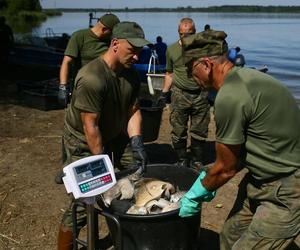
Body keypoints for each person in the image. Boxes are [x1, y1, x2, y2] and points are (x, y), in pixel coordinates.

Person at [179, 30, 300, 249]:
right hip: (260, 178)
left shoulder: (230, 95)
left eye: (190, 69)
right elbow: (252, 144)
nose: (190, 76)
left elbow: (227, 168)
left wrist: (197, 193)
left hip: (287, 189)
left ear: (206, 65)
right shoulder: (251, 77)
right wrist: (210, 173)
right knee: (229, 236)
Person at [57, 21, 151, 250]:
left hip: (114, 132)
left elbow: (133, 111)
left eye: (140, 51)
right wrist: (103, 167)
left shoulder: (131, 75)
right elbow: (91, 126)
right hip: (82, 139)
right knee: (84, 201)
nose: (137, 57)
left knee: (137, 176)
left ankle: (124, 233)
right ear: (115, 44)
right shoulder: (91, 78)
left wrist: (137, 143)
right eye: (133, 50)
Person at [159, 17, 210, 170]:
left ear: (195, 32)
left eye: (189, 34)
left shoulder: (203, 49)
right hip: (179, 95)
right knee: (178, 130)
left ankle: (196, 160)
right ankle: (181, 159)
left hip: (200, 95)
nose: (185, 37)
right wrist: (164, 93)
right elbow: (169, 73)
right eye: (182, 34)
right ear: (178, 33)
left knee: (199, 131)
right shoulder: (172, 49)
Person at [58, 13, 120, 106]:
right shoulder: (79, 36)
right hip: (83, 87)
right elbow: (66, 62)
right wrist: (63, 87)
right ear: (104, 29)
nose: (113, 36)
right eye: (112, 33)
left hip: (105, 87)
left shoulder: (111, 42)